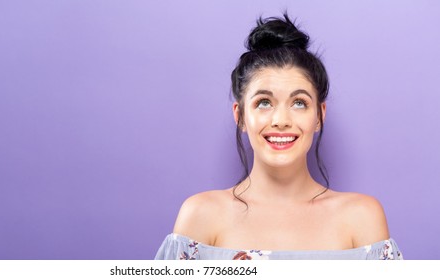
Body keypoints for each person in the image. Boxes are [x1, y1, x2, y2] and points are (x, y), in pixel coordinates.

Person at [155, 14, 402, 260]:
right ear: (240, 116)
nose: (281, 120)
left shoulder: (361, 217)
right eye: (264, 102)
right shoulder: (201, 216)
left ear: (319, 116)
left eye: (299, 103)